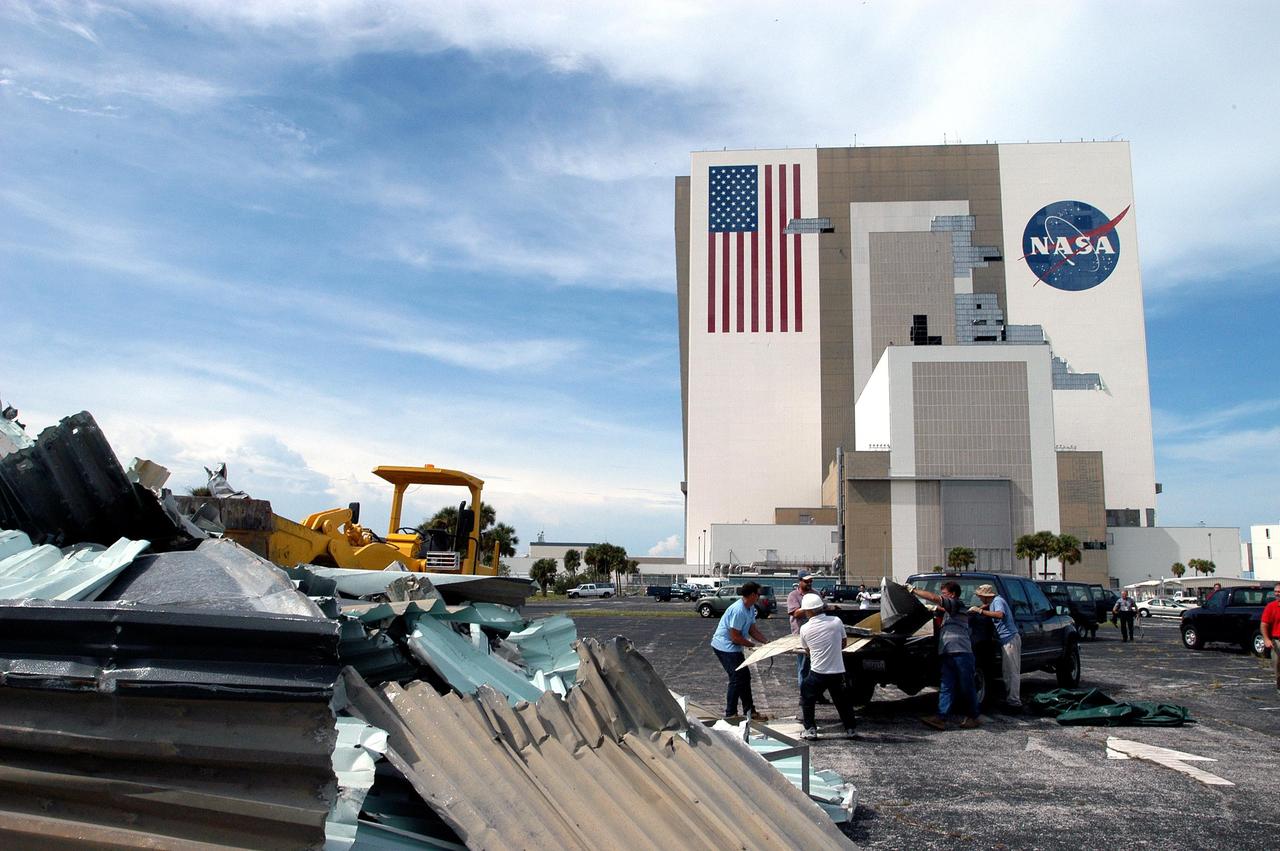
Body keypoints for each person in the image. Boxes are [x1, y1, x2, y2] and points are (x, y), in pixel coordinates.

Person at [909, 581, 979, 729]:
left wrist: (914, 590)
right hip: (948, 653)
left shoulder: (957, 604)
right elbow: (939, 606)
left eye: (945, 593)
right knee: (946, 686)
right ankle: (941, 717)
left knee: (967, 686)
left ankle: (973, 716)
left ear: (952, 594)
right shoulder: (948, 611)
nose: (942, 596)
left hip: (961, 652)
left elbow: (935, 598)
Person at [797, 593, 858, 740]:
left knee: (807, 696)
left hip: (818, 672)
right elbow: (843, 643)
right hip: (837, 671)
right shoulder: (836, 621)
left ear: (809, 611)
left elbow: (807, 651)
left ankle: (810, 729)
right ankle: (850, 729)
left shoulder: (805, 629)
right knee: (842, 701)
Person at [710, 581, 769, 720]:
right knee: (736, 679)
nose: (759, 597)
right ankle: (730, 714)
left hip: (733, 647)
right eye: (758, 594)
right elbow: (735, 637)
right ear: (753, 594)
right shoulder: (738, 610)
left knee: (745, 677)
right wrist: (752, 645)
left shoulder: (750, 608)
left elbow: (752, 630)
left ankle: (750, 711)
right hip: (724, 647)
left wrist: (767, 642)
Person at [970, 583, 1021, 712]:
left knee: (1012, 671)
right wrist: (978, 608)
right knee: (1007, 671)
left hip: (1010, 638)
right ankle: (1011, 699)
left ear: (987, 596)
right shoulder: (994, 602)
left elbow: (999, 615)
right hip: (1006, 639)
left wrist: (980, 611)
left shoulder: (998, 601)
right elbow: (988, 607)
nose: (980, 598)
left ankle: (1014, 702)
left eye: (981, 596)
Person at [786, 571, 826, 706]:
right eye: (806, 581)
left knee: (818, 666)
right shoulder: (793, 595)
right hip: (801, 636)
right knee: (803, 667)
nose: (809, 584)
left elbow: (823, 608)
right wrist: (810, 606)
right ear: (800, 581)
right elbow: (795, 613)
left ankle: (818, 694)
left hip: (818, 634)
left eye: (811, 581)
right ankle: (804, 695)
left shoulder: (815, 593)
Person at [1261, 582, 1280, 692]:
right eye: (1276, 591)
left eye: (1279, 591)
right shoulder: (1271, 607)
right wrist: (1266, 639)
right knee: (1277, 666)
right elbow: (1264, 624)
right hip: (1277, 641)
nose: (1277, 594)